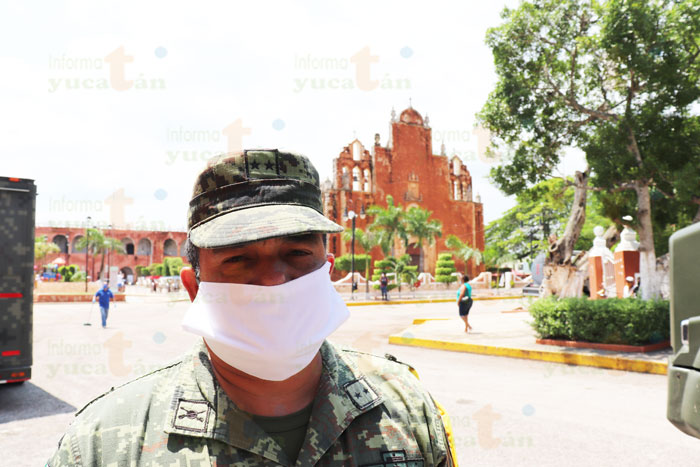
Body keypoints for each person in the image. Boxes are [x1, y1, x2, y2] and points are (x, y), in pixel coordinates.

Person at [49, 150, 455, 466]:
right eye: (239, 259)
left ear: (327, 272)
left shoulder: (406, 409)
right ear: (194, 287)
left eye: (296, 253)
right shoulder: (105, 443)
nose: (274, 281)